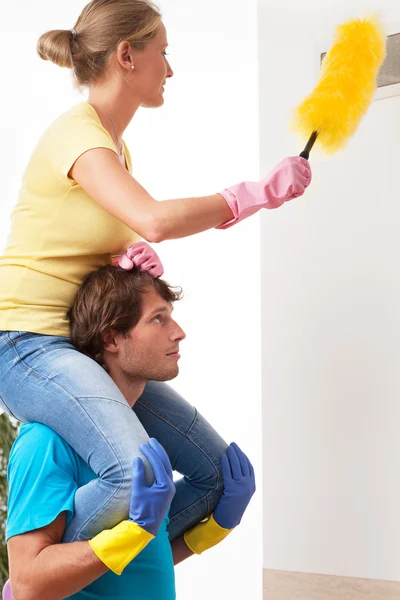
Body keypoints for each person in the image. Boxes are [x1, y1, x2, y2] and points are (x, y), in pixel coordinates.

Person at [0, 0, 311, 550]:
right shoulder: (79, 136)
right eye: (162, 54)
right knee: (131, 476)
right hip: (26, 344)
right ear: (127, 55)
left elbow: (92, 245)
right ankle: (38, 580)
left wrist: (123, 263)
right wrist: (254, 195)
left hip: (84, 345)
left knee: (218, 478)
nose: (169, 69)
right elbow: (154, 218)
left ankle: (124, 575)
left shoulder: (117, 148)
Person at [4, 264, 256, 599]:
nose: (178, 332)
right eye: (158, 318)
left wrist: (211, 529)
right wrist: (133, 531)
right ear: (111, 338)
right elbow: (25, 585)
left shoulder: (141, 442)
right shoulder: (45, 443)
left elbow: (129, 564)